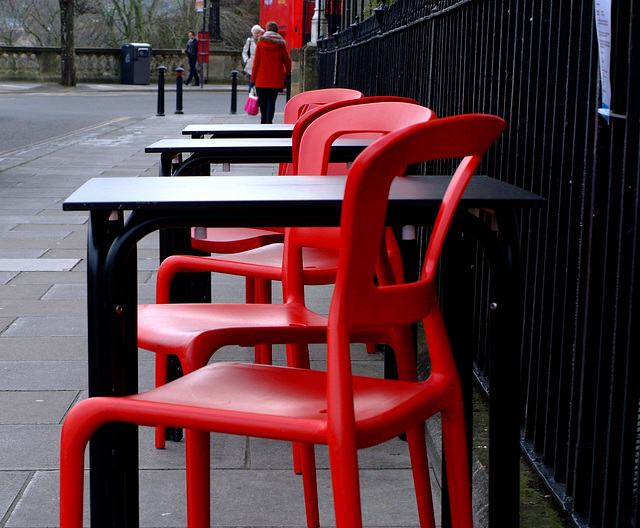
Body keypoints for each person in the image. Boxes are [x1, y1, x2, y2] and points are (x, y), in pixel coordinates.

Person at [251, 21, 291, 124]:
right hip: (275, 79)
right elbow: (287, 61)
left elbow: (256, 63)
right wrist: (287, 74)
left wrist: (253, 79)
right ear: (277, 31)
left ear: (267, 30)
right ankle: (269, 122)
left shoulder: (260, 43)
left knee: (263, 102)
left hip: (261, 78)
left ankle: (263, 121)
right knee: (271, 102)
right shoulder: (281, 45)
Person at [242, 24, 263, 91]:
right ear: (253, 33)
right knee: (251, 82)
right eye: (255, 33)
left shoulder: (262, 41)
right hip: (251, 63)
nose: (256, 34)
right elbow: (244, 51)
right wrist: (247, 60)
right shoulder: (249, 41)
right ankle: (251, 97)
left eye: (258, 33)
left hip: (260, 63)